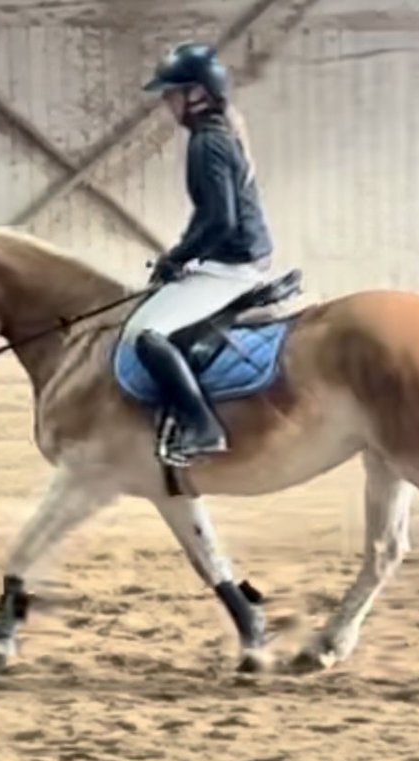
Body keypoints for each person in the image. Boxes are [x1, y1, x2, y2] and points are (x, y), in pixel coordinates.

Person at [124, 40, 275, 464]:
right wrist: (180, 253)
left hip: (234, 265)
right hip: (235, 257)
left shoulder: (206, 142)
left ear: (197, 94)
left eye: (172, 93)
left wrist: (178, 259)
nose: (167, 103)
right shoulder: (220, 133)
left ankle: (203, 428)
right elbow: (207, 215)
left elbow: (221, 220)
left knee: (148, 336)